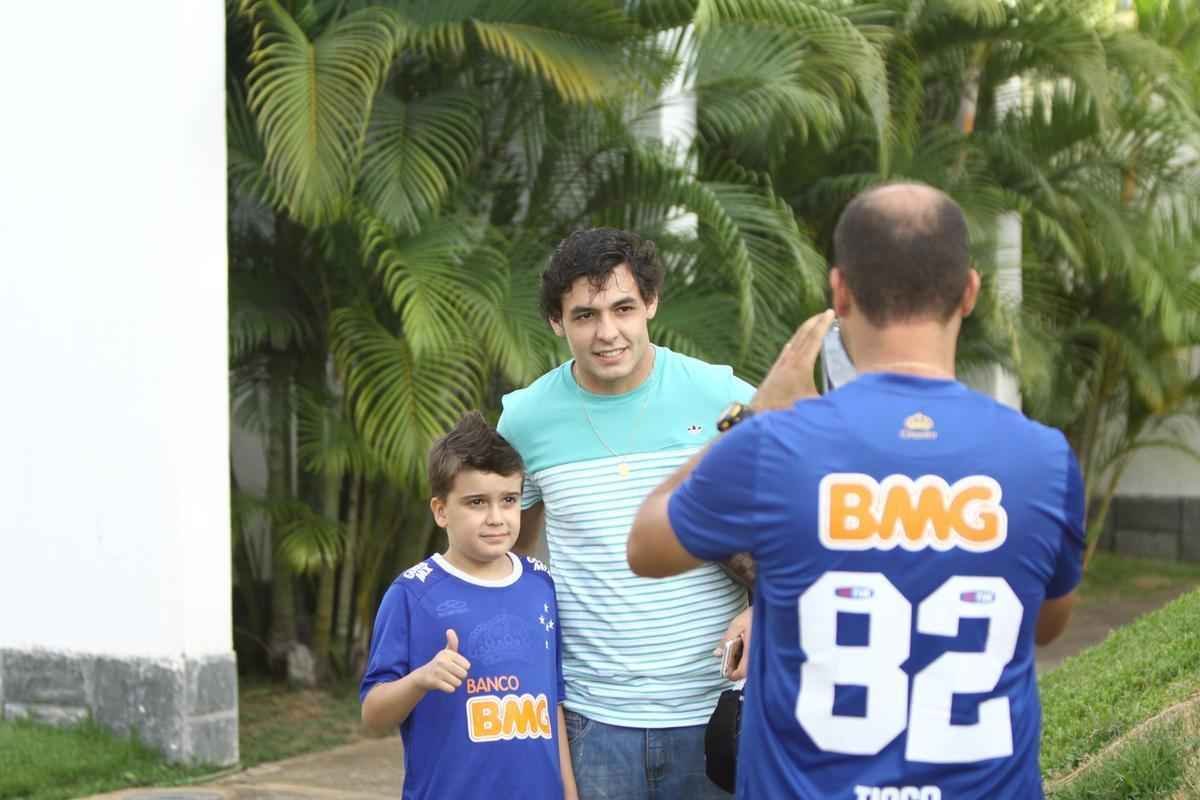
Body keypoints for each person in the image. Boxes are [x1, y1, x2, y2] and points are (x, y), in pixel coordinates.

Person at [627, 183, 1085, 799]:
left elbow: (646, 545)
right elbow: (1046, 624)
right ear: (970, 292)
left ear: (840, 292)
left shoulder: (773, 447)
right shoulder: (1043, 458)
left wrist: (754, 414)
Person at [497, 228, 756, 798]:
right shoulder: (524, 419)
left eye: (623, 308)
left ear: (651, 304)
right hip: (593, 720)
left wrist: (767, 610)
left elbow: (803, 514)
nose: (607, 332)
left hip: (715, 711)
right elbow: (508, 557)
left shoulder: (721, 396)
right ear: (556, 322)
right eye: (585, 315)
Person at [360, 412, 578, 800]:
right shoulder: (411, 594)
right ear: (441, 510)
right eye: (477, 502)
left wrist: (569, 794)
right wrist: (420, 679)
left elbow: (553, 703)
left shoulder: (540, 585)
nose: (496, 518)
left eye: (508, 500)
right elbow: (373, 717)